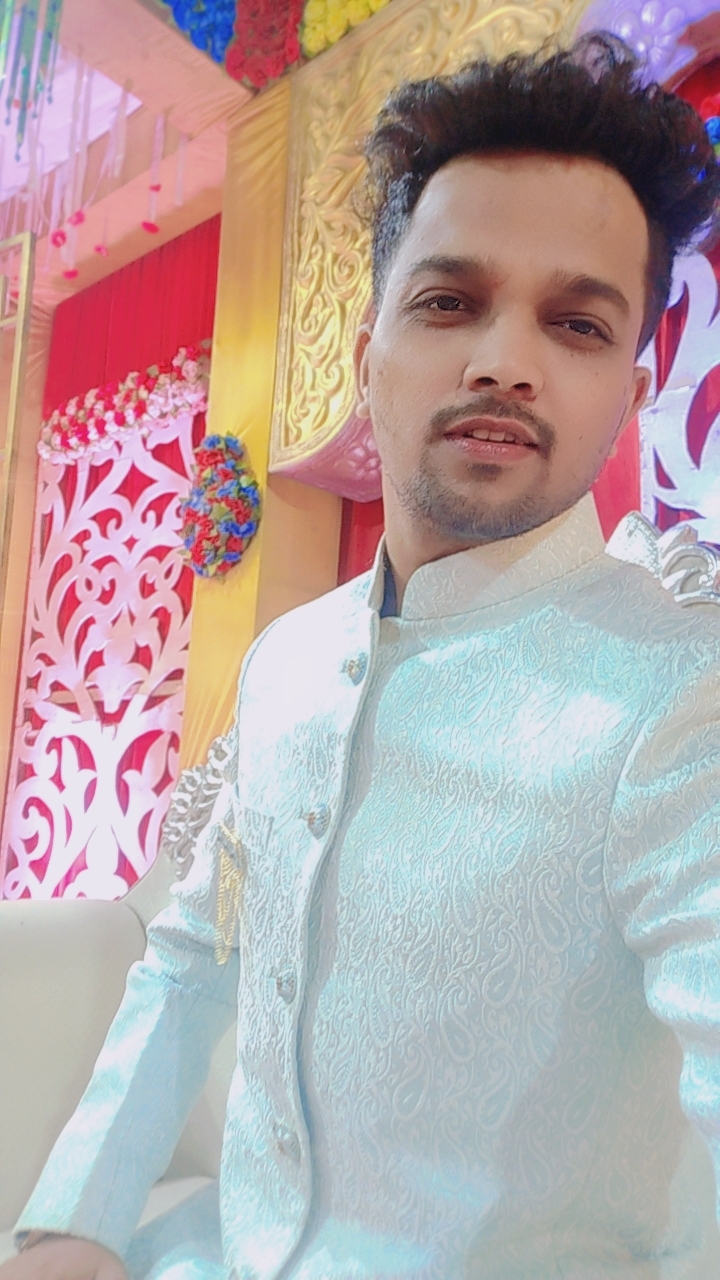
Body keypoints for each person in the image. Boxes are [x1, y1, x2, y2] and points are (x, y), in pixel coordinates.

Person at [4, 30, 720, 1280]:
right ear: (365, 352)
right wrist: (78, 1218)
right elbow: (193, 952)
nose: (504, 360)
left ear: (634, 385)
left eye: (576, 323)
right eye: (450, 301)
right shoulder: (286, 659)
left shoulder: (682, 693)